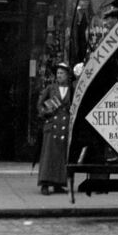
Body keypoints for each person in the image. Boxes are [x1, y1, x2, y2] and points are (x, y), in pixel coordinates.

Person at [37, 63, 73, 195]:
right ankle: (45, 184)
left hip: (64, 126)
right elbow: (40, 104)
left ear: (67, 75)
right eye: (58, 73)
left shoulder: (72, 89)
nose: (59, 76)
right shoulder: (50, 88)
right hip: (52, 125)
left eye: (62, 73)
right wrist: (45, 111)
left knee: (61, 155)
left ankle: (58, 183)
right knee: (48, 155)